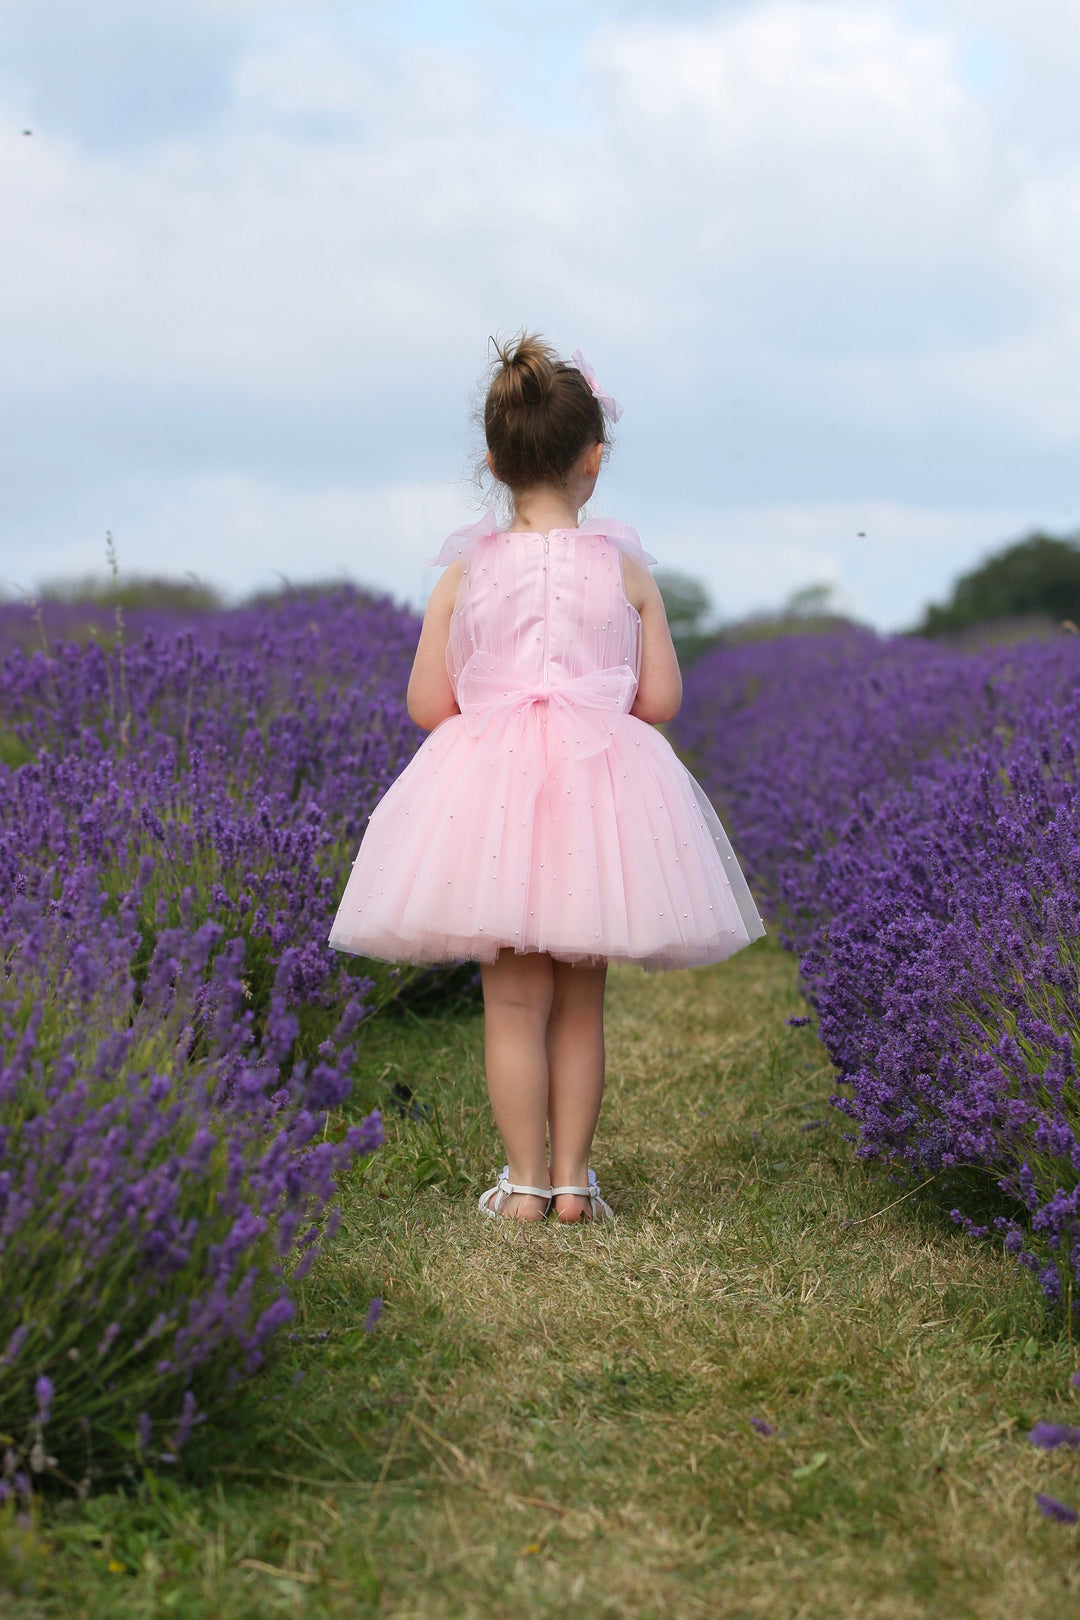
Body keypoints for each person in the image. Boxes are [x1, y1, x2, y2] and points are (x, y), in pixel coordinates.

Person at [329, 334, 764, 1223]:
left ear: (493, 461)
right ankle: (574, 1182)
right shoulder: (627, 571)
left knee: (513, 1000)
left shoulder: (465, 570)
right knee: (579, 1001)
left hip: (491, 797)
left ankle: (521, 1184)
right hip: (597, 792)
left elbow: (424, 702)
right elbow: (663, 699)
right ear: (593, 459)